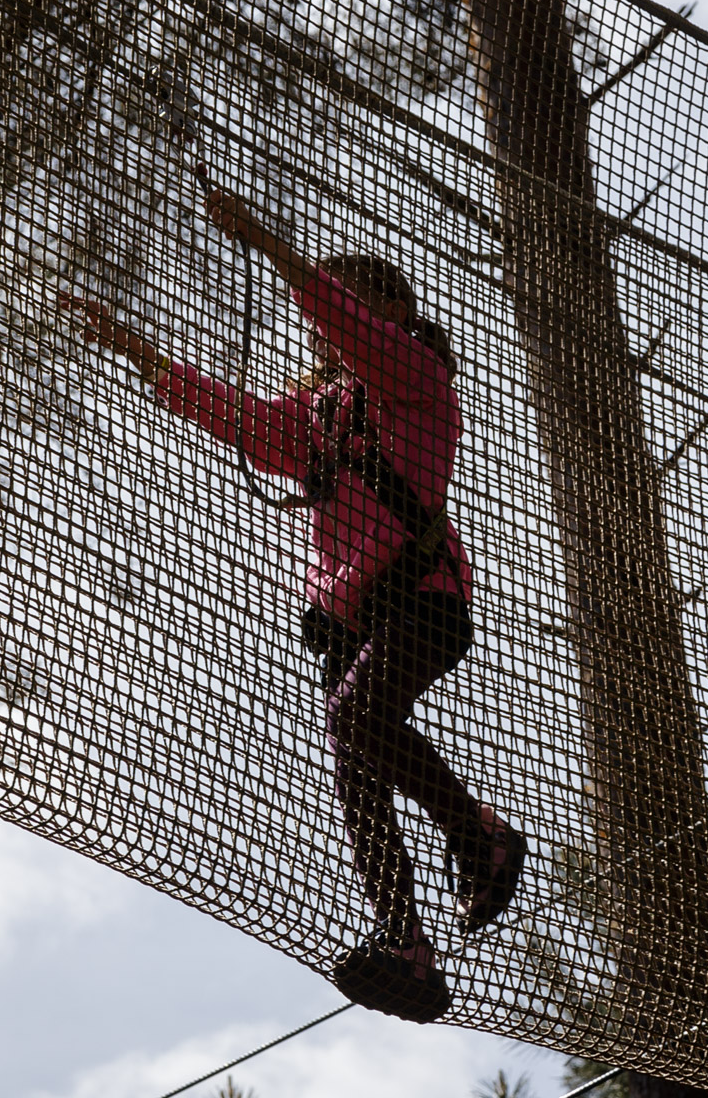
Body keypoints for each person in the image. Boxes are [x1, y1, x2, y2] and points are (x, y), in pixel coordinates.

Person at [58, 188, 525, 1023]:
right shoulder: (320, 419)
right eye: (318, 321)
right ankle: (407, 947)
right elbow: (238, 418)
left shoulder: (417, 380)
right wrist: (139, 352)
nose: (319, 330)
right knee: (356, 769)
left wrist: (276, 251)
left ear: (389, 313)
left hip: (423, 597)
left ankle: (477, 834)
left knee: (356, 721)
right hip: (352, 617)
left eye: (342, 311)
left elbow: (355, 330)